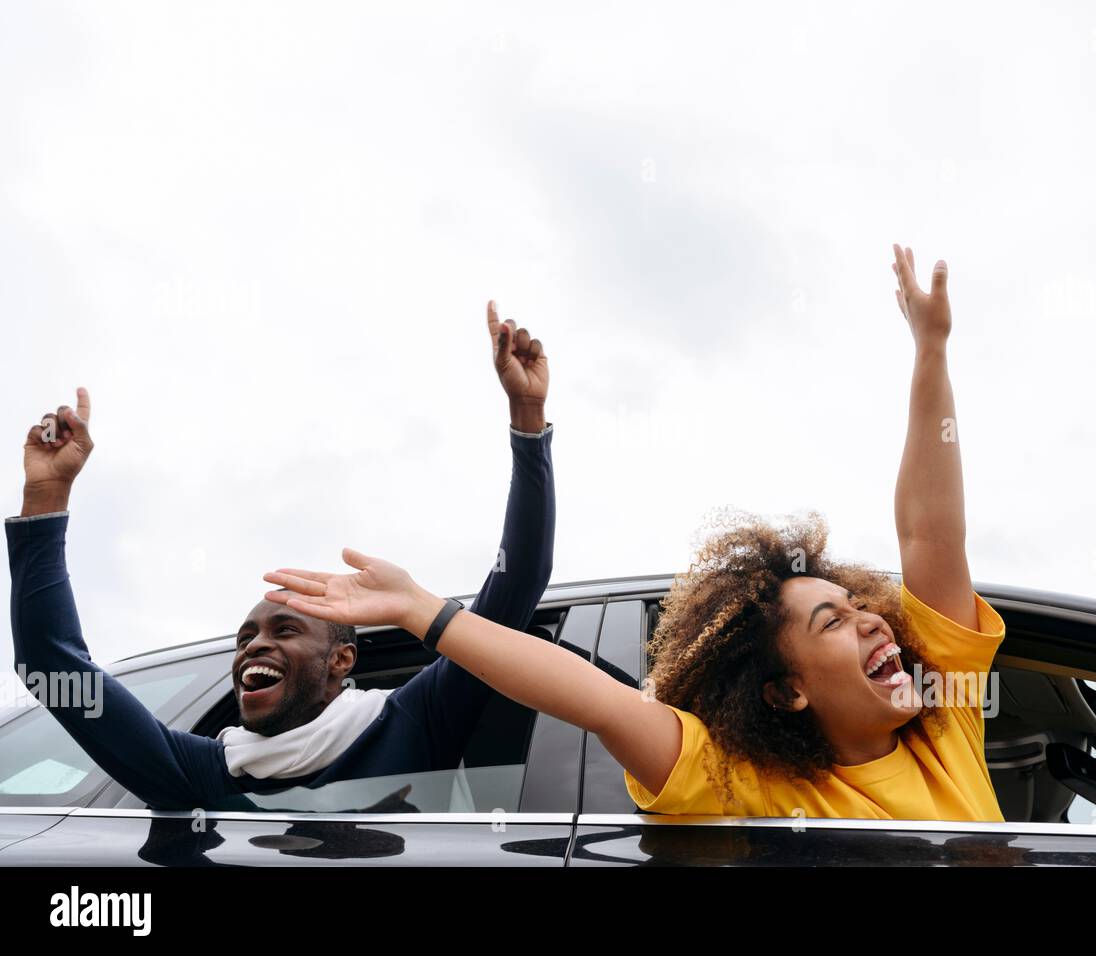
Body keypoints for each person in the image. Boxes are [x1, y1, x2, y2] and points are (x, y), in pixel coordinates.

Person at [266, 245, 1008, 821]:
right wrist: (420, 610)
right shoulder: (741, 784)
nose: (874, 619)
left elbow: (930, 538)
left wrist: (932, 348)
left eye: (854, 607)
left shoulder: (951, 727)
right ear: (786, 693)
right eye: (834, 620)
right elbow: (591, 697)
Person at [6, 302, 555, 810]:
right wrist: (46, 497)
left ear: (341, 660)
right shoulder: (203, 773)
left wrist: (527, 419)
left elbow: (517, 586)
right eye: (247, 638)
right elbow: (52, 665)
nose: (256, 645)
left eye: (286, 629)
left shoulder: (409, 720)